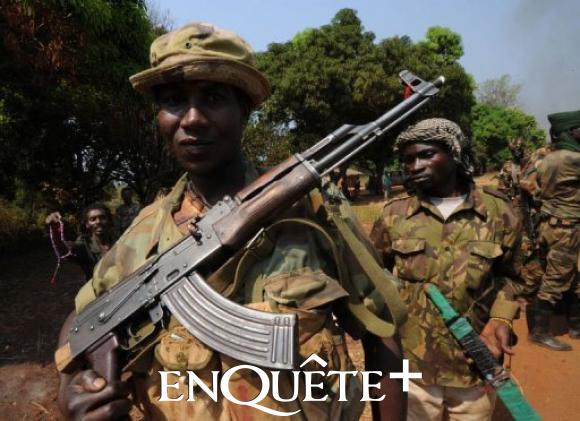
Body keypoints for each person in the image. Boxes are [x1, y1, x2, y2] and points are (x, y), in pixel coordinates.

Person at [56, 22, 406, 420]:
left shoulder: (314, 211)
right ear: (159, 116)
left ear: (245, 110)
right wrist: (70, 388)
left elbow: (382, 333)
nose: (192, 119)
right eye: (174, 100)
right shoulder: (144, 232)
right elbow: (84, 316)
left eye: (214, 97)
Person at [370, 118, 525, 420]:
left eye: (426, 155)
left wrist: (500, 318)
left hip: (474, 367)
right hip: (413, 369)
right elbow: (374, 277)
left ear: (454, 153)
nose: (415, 166)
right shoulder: (393, 216)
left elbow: (515, 277)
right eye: (408, 159)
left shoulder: (498, 213)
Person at [527, 110, 580, 351]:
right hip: (566, 228)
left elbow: (531, 185)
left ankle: (576, 326)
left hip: (550, 224)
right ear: (570, 131)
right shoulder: (573, 158)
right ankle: (539, 332)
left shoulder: (548, 158)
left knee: (571, 276)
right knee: (556, 279)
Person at [46, 203, 116, 280]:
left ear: (109, 220)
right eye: (93, 219)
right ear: (87, 224)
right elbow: (65, 249)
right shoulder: (84, 244)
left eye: (102, 217)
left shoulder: (119, 238)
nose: (98, 222)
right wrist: (55, 230)